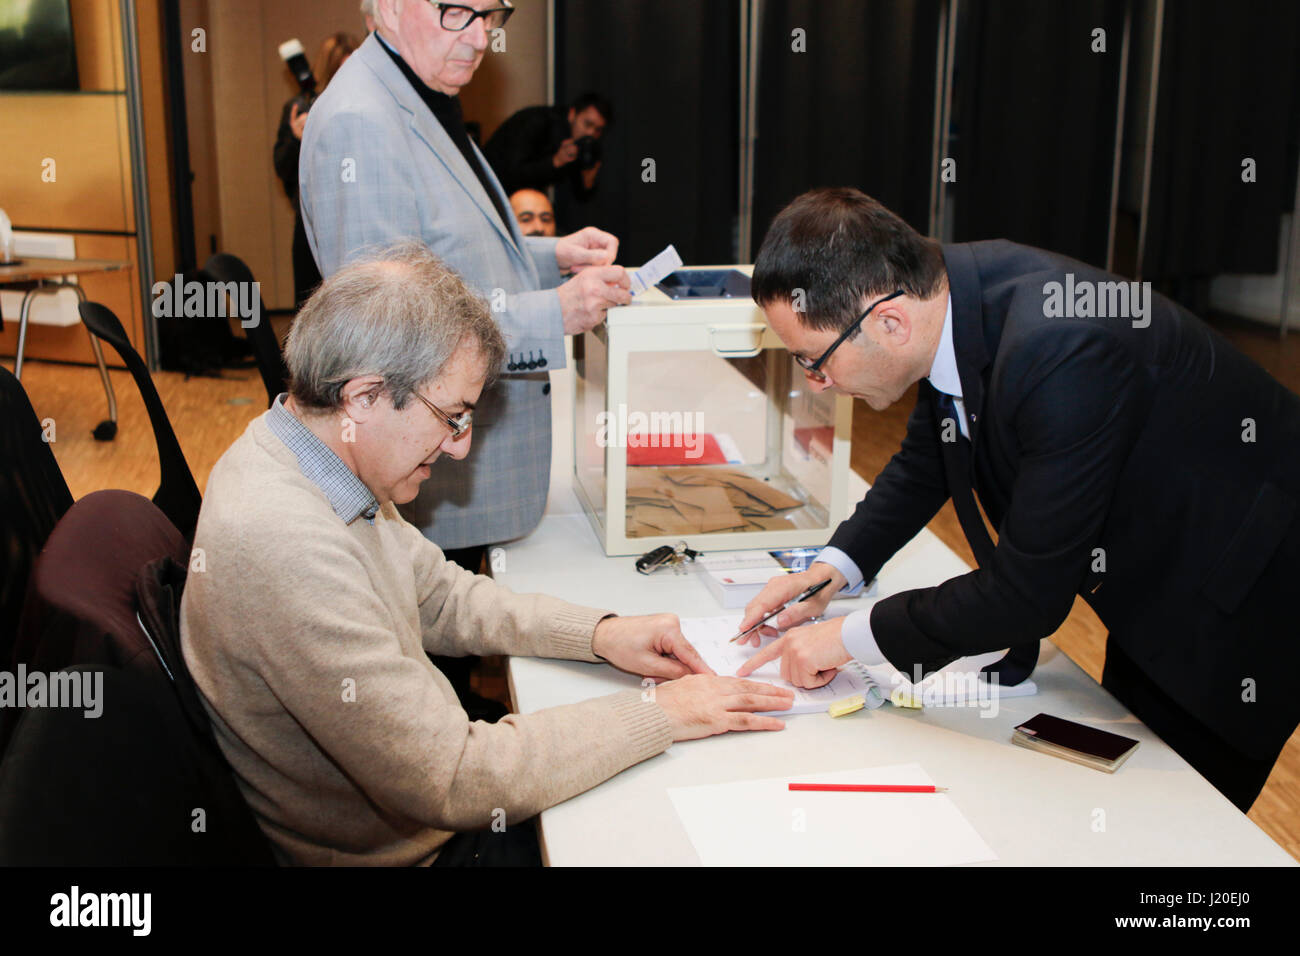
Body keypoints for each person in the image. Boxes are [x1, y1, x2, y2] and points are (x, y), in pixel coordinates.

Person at [179, 242, 794, 866]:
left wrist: (600, 634)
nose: (459, 448)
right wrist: (657, 712)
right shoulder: (287, 544)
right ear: (364, 397)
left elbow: (438, 596)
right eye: (452, 417)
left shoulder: (319, 452)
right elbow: (457, 778)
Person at [737, 187, 1300, 813]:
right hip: (1155, 566)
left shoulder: (1061, 348)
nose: (820, 382)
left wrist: (849, 636)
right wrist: (832, 568)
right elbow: (929, 459)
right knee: (1122, 780)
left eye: (814, 362)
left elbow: (1027, 594)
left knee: (1182, 819)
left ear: (887, 322)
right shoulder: (952, 297)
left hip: (1246, 594)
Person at [299, 0, 631, 713]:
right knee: (435, 708)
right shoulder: (361, 119)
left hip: (467, 476)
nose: (481, 36)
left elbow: (454, 259)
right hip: (429, 477)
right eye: (457, 11)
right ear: (386, 7)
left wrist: (547, 257)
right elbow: (391, 334)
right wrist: (556, 312)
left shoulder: (421, 89)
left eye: (492, 13)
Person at [272, 31, 360, 308]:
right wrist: (300, 140)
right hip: (314, 226)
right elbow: (282, 168)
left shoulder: (367, 108)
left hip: (357, 220)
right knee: (312, 306)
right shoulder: (301, 108)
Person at [483, 91, 612, 203]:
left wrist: (588, 181)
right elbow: (511, 174)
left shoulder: (579, 143)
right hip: (489, 192)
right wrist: (555, 162)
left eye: (598, 130)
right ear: (572, 114)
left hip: (521, 200)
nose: (591, 133)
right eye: (587, 124)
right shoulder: (536, 122)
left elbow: (580, 196)